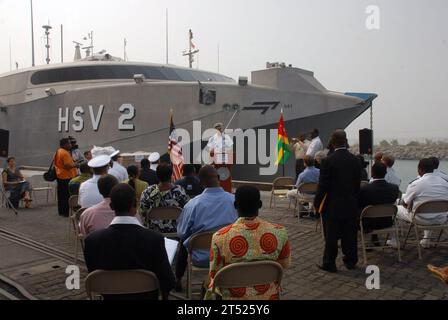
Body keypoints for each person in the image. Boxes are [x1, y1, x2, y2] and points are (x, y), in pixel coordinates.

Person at [83, 184, 175, 300]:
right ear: (135, 205)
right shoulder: (154, 239)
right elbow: (168, 281)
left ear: (111, 206)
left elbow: (95, 277)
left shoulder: (92, 241)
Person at [206, 186, 291, 300]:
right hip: (268, 296)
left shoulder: (219, 237)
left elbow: (215, 273)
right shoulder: (280, 232)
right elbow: (284, 264)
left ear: (235, 205)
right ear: (260, 204)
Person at [176, 165, 238, 290]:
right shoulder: (234, 201)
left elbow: (181, 233)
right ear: (219, 178)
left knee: (184, 242)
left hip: (202, 258)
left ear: (201, 182)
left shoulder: (193, 204)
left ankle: (178, 279)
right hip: (230, 254)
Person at [314, 130, 361, 272]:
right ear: (345, 140)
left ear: (332, 142)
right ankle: (351, 261)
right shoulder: (355, 160)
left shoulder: (328, 161)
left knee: (331, 237)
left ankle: (330, 263)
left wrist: (317, 204)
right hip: (351, 203)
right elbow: (357, 184)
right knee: (350, 235)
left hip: (332, 205)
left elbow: (323, 186)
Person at [390, 158, 448, 248]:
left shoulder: (416, 184)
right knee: (429, 207)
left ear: (420, 169)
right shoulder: (445, 183)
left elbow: (405, 202)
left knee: (394, 209)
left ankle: (394, 241)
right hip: (441, 218)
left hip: (420, 218)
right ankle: (426, 240)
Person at [140, 163, 189, 233]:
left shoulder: (147, 192)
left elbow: (143, 213)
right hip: (176, 233)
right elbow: (187, 211)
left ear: (157, 176)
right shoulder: (179, 191)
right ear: (171, 176)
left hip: (153, 233)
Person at [358, 162, 399, 244]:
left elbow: (359, 205)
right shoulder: (394, 188)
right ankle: (374, 238)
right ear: (385, 173)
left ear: (372, 173)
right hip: (386, 222)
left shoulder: (364, 189)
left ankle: (364, 242)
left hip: (367, 224)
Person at [54, 138, 79, 217]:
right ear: (64, 145)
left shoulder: (58, 151)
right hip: (66, 177)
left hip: (60, 176)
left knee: (61, 195)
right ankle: (66, 213)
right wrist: (76, 165)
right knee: (66, 196)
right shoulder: (64, 153)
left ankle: (62, 212)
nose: (70, 145)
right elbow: (67, 166)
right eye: (69, 144)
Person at [207, 123, 234, 193]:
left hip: (226, 159)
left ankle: (227, 190)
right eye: (217, 129)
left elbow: (230, 148)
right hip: (216, 160)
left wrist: (226, 151)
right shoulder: (212, 138)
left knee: (226, 176)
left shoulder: (227, 137)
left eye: (220, 128)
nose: (219, 130)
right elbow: (210, 150)